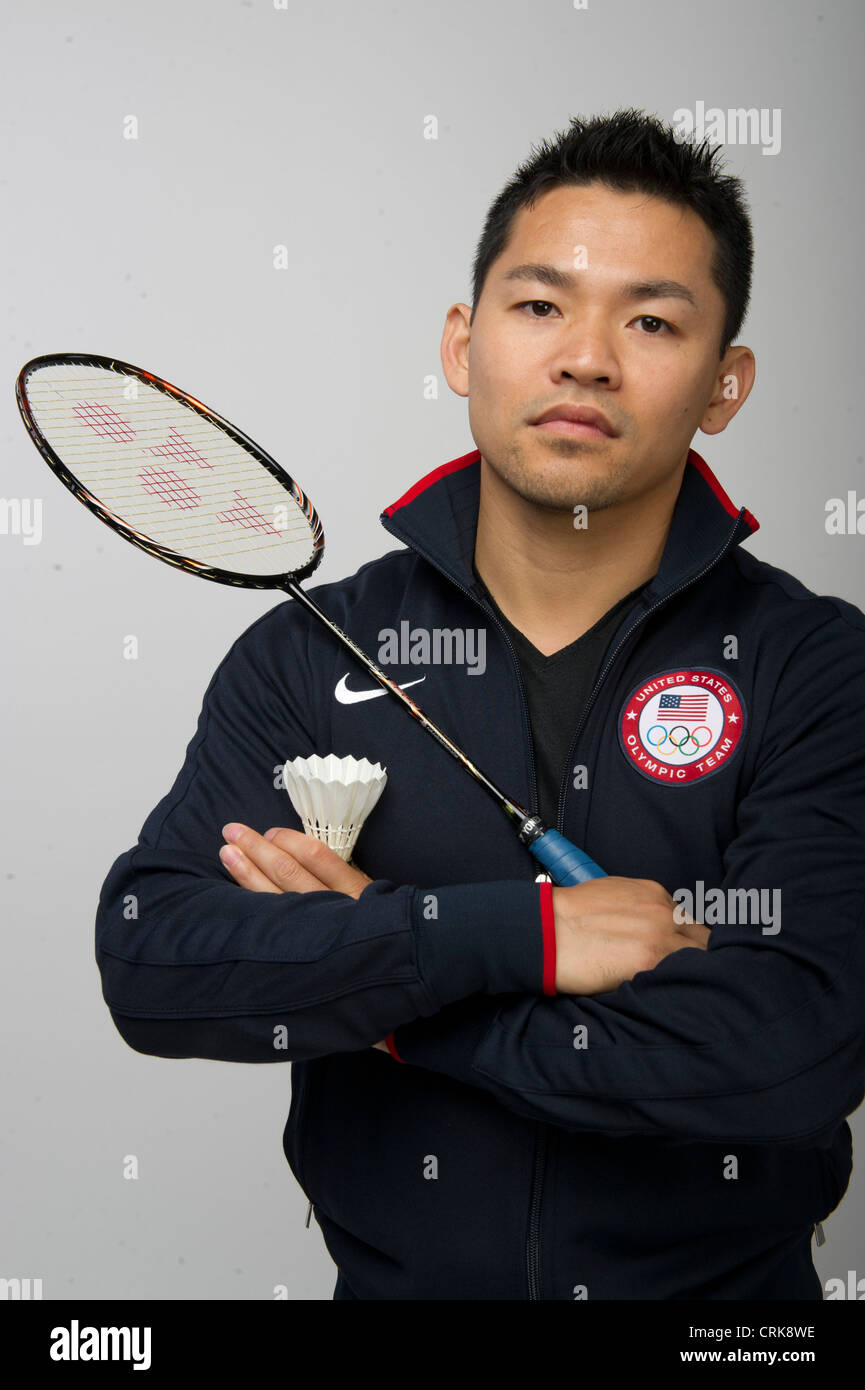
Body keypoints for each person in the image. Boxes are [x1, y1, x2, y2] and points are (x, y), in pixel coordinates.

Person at [95, 108, 865, 1301]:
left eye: (651, 320)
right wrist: (520, 936)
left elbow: (794, 1050)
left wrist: (392, 996)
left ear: (725, 384)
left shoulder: (815, 665)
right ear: (463, 344)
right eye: (539, 304)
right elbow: (157, 962)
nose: (586, 358)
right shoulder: (308, 654)